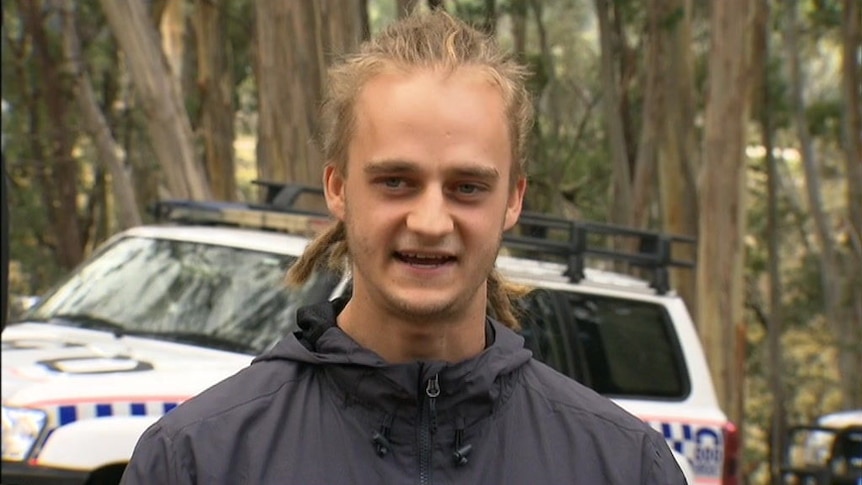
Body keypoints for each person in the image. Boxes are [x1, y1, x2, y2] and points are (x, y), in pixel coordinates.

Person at [121, 10, 686, 484]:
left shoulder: (622, 465)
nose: (431, 220)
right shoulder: (198, 460)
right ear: (338, 188)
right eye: (396, 181)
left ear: (512, 200)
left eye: (467, 187)